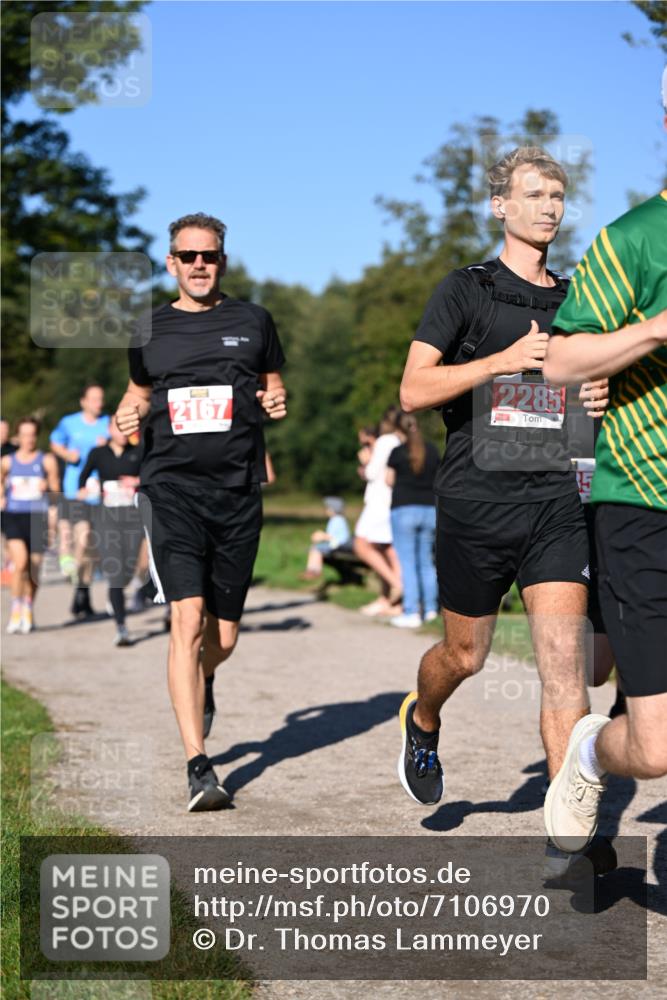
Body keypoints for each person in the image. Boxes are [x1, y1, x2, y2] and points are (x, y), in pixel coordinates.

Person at [395, 146, 609, 873]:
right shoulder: (466, 289)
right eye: (534, 194)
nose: (549, 207)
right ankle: (423, 716)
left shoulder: (579, 299)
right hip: (475, 502)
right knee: (466, 654)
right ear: (500, 206)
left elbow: (581, 401)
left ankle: (568, 838)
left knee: (563, 669)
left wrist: (597, 396)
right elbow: (413, 390)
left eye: (557, 195)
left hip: (555, 501)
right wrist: (499, 361)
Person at [115, 212, 286, 812]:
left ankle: (206, 675)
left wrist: (276, 398)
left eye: (208, 255)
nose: (198, 265)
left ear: (222, 262)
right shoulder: (148, 328)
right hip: (171, 491)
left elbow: (272, 383)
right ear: (171, 263)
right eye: (187, 256)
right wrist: (126, 415)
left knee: (224, 637)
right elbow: (137, 394)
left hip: (236, 493)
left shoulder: (253, 321)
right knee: (185, 621)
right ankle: (198, 765)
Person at [541, 71, 667, 854]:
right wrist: (653, 329)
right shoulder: (636, 238)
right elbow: (560, 361)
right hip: (644, 505)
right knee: (653, 750)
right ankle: (588, 750)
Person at [77, 415, 144, 646]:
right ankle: (121, 628)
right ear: (109, 429)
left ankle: (117, 593)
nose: (122, 432)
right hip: (107, 518)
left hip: (133, 517)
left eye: (125, 427)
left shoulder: (139, 451)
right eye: (117, 427)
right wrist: (88, 489)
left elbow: (151, 478)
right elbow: (83, 479)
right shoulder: (98, 453)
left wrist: (136, 481)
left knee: (128, 570)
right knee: (115, 572)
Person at [50, 384, 110, 617]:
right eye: (94, 399)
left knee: (91, 549)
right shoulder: (69, 422)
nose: (99, 403)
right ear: (83, 401)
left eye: (101, 399)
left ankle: (82, 592)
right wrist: (67, 454)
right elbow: (55, 442)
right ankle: (72, 573)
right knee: (80, 539)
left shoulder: (107, 422)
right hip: (75, 490)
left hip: (99, 491)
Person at [1, 417, 59, 633]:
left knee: (34, 569)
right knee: (20, 563)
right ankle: (16, 609)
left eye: (32, 435)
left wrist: (47, 487)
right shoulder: (7, 461)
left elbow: (55, 491)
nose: (28, 440)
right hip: (14, 515)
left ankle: (28, 606)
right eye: (24, 435)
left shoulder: (47, 460)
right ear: (18, 436)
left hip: (37, 517)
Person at [385, 412, 440, 628]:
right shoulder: (432, 450)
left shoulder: (397, 452)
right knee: (427, 562)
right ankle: (431, 609)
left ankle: (411, 611)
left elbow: (389, 480)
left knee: (408, 563)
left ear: (399, 430)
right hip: (430, 510)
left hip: (404, 509)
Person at [354, 408, 403, 617]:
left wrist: (366, 462)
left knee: (361, 543)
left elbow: (373, 472)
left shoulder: (385, 442)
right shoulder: (401, 441)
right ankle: (389, 601)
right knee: (389, 550)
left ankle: (397, 585)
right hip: (393, 499)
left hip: (379, 501)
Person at [300, 496, 352, 580]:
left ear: (333, 509)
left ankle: (314, 570)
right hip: (335, 544)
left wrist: (323, 536)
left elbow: (338, 537)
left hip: (339, 545)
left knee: (317, 549)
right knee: (315, 548)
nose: (326, 510)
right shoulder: (336, 519)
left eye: (328, 508)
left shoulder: (338, 520)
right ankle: (311, 569)